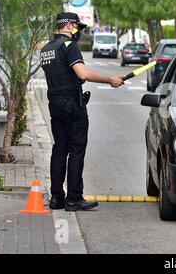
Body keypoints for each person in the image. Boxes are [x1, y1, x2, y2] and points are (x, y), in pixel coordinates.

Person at [40, 12, 124, 211]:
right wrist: (110, 79)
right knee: (77, 150)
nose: (78, 31)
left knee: (60, 148)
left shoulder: (47, 48)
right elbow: (82, 74)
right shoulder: (70, 47)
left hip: (55, 103)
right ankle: (74, 198)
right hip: (72, 105)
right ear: (68, 25)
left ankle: (57, 198)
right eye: (77, 27)